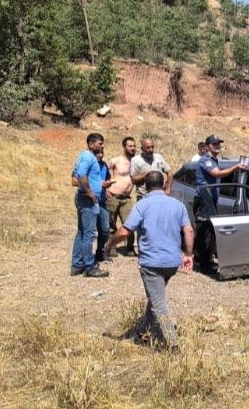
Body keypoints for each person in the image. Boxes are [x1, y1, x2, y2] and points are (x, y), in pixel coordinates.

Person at [104, 171, 194, 352]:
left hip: (152, 263)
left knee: (159, 303)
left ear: (145, 186)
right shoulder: (178, 205)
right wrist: (188, 254)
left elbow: (124, 232)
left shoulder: (142, 205)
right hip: (171, 262)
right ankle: (143, 335)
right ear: (162, 185)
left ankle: (172, 344)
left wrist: (109, 244)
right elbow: (189, 231)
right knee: (155, 297)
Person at [191, 135, 246, 267]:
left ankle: (207, 260)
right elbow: (217, 174)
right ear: (208, 146)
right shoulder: (206, 161)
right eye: (215, 144)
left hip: (210, 200)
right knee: (203, 230)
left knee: (209, 230)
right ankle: (200, 262)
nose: (218, 146)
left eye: (219, 144)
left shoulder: (215, 160)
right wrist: (236, 167)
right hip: (204, 199)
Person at [71, 133, 110, 278]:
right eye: (100, 143)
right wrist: (90, 193)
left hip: (84, 198)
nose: (102, 146)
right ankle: (90, 266)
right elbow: (80, 175)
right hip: (87, 200)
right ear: (90, 144)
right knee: (88, 234)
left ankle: (77, 265)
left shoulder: (87, 157)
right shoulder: (87, 157)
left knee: (81, 232)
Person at [127, 137, 172, 255]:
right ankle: (142, 248)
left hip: (159, 196)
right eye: (148, 147)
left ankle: (158, 247)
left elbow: (169, 172)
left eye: (152, 147)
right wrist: (146, 174)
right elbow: (133, 179)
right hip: (144, 196)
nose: (151, 149)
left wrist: (168, 188)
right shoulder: (136, 160)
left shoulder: (158, 157)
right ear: (142, 148)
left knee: (159, 222)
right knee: (143, 224)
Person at [106, 137, 137, 259]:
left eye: (134, 146)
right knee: (111, 224)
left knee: (130, 223)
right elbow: (102, 169)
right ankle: (112, 247)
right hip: (113, 196)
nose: (133, 148)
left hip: (127, 198)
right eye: (130, 146)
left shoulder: (137, 162)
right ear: (124, 147)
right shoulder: (116, 160)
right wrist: (105, 188)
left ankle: (129, 248)